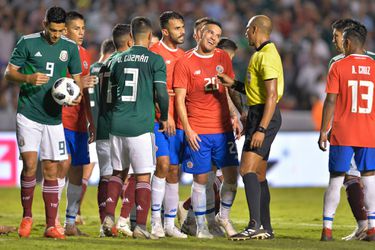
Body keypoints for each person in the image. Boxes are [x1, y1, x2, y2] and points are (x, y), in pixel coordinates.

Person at [5, 6, 83, 239]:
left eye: (60, 31)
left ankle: (51, 225)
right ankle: (27, 217)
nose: (56, 35)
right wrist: (27, 78)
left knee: (51, 169)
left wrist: (75, 97)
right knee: (30, 165)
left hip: (53, 118)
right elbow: (9, 73)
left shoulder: (70, 48)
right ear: (44, 24)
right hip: (28, 113)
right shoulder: (27, 42)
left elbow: (77, 83)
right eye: (53, 30)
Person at [102, 16, 169, 240]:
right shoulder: (155, 60)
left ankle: (108, 218)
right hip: (140, 125)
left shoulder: (115, 59)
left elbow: (108, 97)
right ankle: (140, 226)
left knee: (118, 173)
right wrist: (165, 116)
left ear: (131, 36)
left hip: (117, 123)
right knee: (142, 177)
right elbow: (161, 93)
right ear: (149, 36)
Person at [218, 15, 283, 240]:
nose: (245, 34)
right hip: (260, 113)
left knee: (246, 170)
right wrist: (233, 84)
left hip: (264, 116)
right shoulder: (261, 55)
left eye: (247, 29)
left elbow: (272, 96)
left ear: (255, 30)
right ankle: (266, 227)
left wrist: (261, 128)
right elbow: (258, 91)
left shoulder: (266, 56)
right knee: (259, 174)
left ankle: (254, 225)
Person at [174, 19, 239, 239]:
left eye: (218, 35)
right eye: (210, 32)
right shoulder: (185, 62)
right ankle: (201, 227)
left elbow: (230, 88)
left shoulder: (222, 57)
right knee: (201, 181)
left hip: (223, 131)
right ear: (201, 33)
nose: (214, 37)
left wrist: (236, 115)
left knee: (231, 178)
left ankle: (224, 217)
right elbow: (180, 100)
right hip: (199, 130)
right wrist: (189, 129)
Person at [318, 24, 375, 242]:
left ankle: (327, 229)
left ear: (348, 43)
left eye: (342, 41)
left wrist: (323, 130)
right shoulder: (374, 65)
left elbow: (331, 99)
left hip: (344, 131)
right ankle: (371, 228)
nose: (339, 44)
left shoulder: (338, 66)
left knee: (335, 179)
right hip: (369, 131)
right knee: (369, 179)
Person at [58, 11, 97, 236]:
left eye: (83, 28)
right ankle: (53, 220)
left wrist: (90, 120)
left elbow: (86, 89)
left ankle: (70, 223)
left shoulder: (85, 54)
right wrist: (77, 82)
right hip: (62, 118)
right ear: (65, 30)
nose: (81, 32)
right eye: (76, 28)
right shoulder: (58, 53)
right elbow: (57, 86)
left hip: (80, 121)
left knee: (76, 171)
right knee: (62, 165)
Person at [149, 11, 187, 239]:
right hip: (158, 120)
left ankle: (170, 223)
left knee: (174, 170)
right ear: (165, 31)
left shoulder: (183, 56)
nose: (182, 32)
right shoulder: (154, 54)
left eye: (182, 27)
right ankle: (155, 223)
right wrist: (164, 114)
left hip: (179, 122)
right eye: (177, 28)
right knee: (162, 165)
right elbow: (151, 89)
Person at [94, 24, 133, 237]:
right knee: (132, 174)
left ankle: (105, 223)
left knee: (106, 176)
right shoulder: (126, 64)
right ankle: (125, 220)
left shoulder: (104, 64)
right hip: (123, 126)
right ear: (128, 41)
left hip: (103, 124)